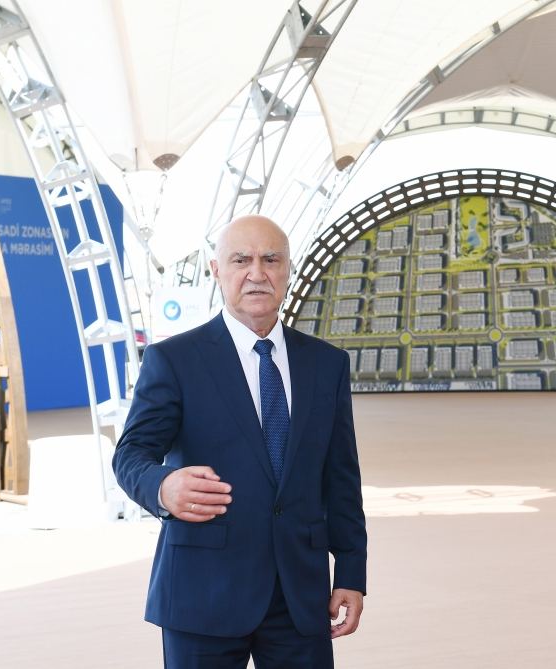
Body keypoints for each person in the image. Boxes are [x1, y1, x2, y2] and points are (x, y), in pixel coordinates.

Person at [113, 215, 366, 668]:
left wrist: (350, 570)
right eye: (241, 260)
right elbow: (131, 454)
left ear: (288, 269)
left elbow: (341, 477)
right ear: (216, 270)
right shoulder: (174, 360)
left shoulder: (327, 365)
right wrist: (163, 487)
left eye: (271, 259)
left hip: (299, 596)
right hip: (202, 592)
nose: (257, 272)